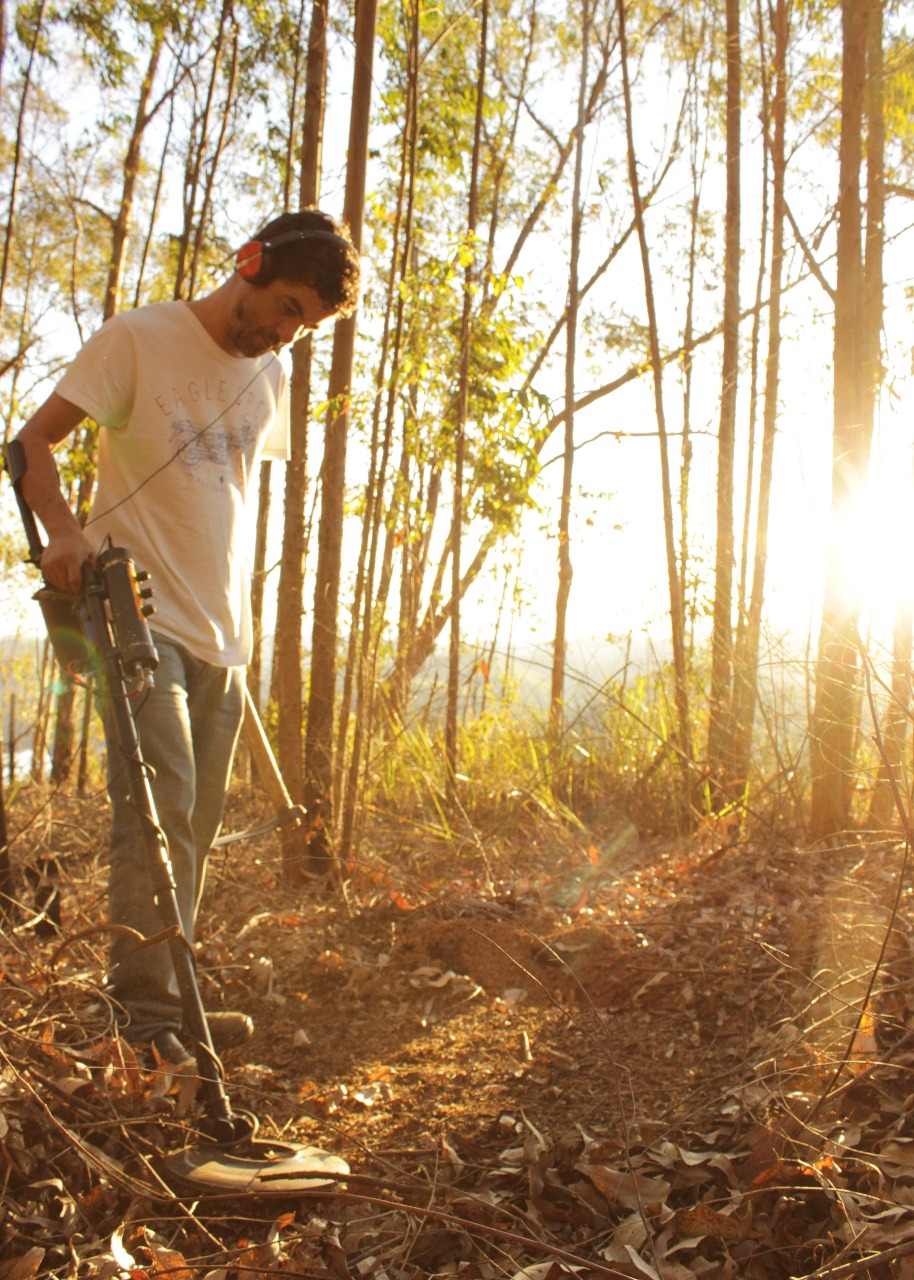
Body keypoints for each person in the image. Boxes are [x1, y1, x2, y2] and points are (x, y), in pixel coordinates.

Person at [15, 208, 361, 1067]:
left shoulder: (269, 378)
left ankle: (175, 1001)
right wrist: (61, 530)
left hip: (223, 632)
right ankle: (142, 1021)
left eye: (304, 325)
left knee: (196, 822)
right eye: (285, 308)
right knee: (157, 805)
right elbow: (29, 444)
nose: (285, 335)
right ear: (249, 263)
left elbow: (225, 496)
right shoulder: (138, 338)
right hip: (137, 612)